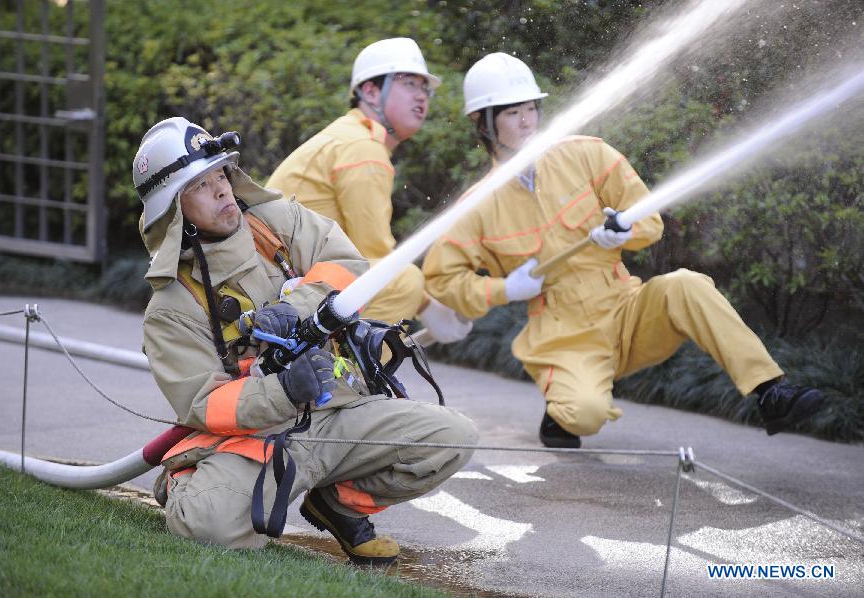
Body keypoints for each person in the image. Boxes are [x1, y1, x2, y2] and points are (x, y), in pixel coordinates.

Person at [422, 53, 824, 448]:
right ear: (483, 122)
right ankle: (562, 413)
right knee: (584, 414)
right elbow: (441, 279)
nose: (527, 120)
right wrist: (505, 290)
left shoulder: (587, 153)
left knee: (686, 284)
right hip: (563, 336)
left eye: (530, 108)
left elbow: (650, 221)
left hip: (625, 308)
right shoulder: (477, 205)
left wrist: (624, 231)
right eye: (511, 113)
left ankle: (771, 391)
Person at [133, 116, 477, 564]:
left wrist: (295, 308)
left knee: (453, 438)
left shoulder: (275, 222)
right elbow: (204, 404)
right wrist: (284, 390)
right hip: (258, 438)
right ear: (173, 209)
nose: (221, 189)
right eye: (201, 184)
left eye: (221, 174)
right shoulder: (172, 308)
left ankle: (336, 503)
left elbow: (349, 264)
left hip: (339, 410)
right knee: (208, 524)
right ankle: (190, 482)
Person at [268, 37, 471, 343]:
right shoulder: (362, 148)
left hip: (284, 286)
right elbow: (374, 260)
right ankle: (357, 387)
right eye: (409, 84)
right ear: (371, 91)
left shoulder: (350, 137)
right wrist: (428, 307)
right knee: (404, 279)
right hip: (287, 292)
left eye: (424, 88)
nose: (422, 97)